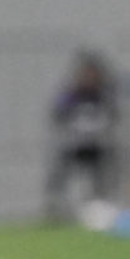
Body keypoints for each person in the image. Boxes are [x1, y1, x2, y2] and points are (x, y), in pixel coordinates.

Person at [45, 50, 120, 221]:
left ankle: (99, 209)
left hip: (97, 146)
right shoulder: (72, 95)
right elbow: (58, 112)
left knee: (101, 177)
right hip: (74, 145)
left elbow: (113, 116)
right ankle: (57, 209)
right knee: (60, 175)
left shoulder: (103, 96)